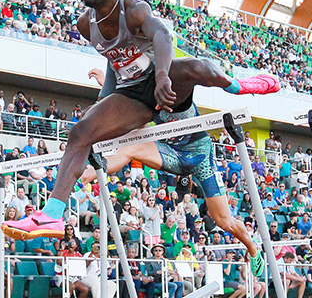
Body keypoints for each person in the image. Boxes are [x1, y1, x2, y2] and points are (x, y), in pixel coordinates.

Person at [2, 0, 279, 241]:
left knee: (198, 68)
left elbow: (162, 35)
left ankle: (237, 86)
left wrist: (161, 78)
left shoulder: (134, 9)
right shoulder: (85, 24)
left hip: (163, 80)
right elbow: (113, 59)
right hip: (134, 95)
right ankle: (51, 214)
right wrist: (103, 103)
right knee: (80, 131)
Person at [76, 67, 265, 275]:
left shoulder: (178, 93)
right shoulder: (146, 99)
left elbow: (194, 76)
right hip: (172, 153)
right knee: (131, 146)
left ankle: (253, 247)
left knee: (222, 219)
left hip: (200, 156)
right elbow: (125, 102)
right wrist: (107, 85)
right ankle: (89, 174)